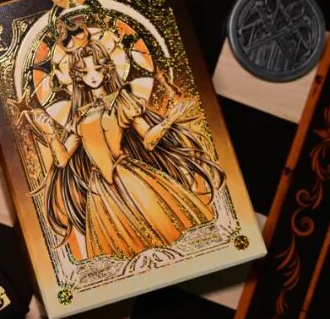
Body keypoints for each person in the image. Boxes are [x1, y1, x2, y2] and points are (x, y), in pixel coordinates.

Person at [16, 18, 225, 261]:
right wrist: (51, 134)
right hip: (101, 192)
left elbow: (148, 140)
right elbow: (62, 160)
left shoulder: (123, 101)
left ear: (106, 69)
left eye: (97, 69)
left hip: (130, 176)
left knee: (165, 230)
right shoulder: (79, 116)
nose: (92, 76)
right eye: (85, 72)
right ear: (78, 77)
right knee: (118, 252)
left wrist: (168, 121)